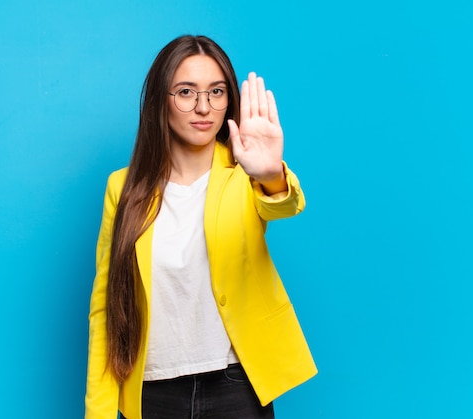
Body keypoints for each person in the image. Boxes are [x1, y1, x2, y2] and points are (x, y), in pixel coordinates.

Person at [85, 35, 317, 419]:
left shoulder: (246, 174)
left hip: (236, 386)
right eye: (186, 92)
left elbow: (284, 204)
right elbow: (106, 309)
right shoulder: (122, 188)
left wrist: (271, 174)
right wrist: (99, 411)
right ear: (160, 101)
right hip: (150, 391)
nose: (203, 107)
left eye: (216, 91)